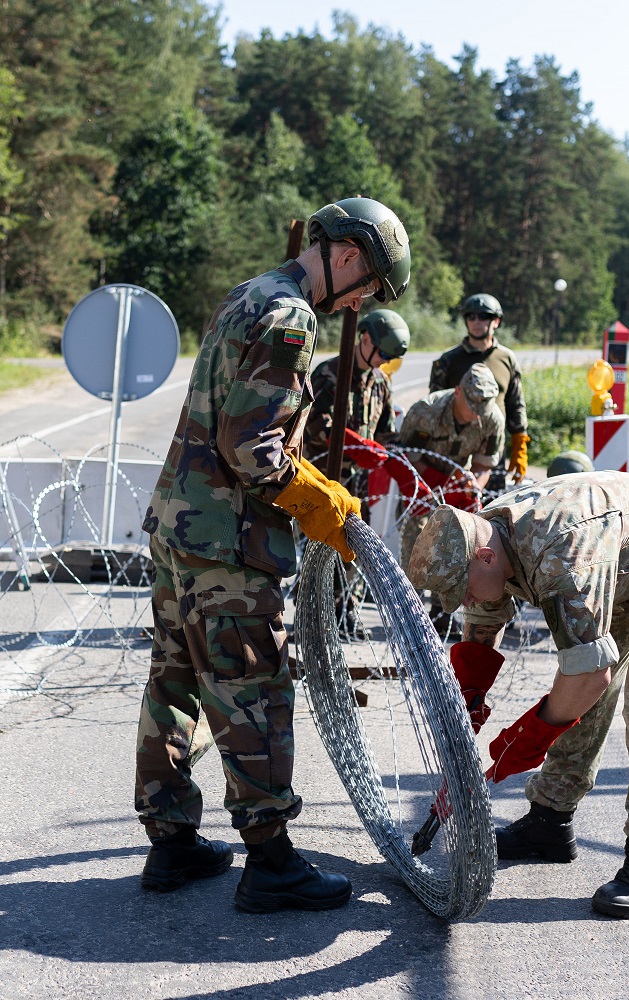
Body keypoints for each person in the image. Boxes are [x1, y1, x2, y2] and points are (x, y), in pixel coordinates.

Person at [136, 197, 411, 913]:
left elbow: (244, 424)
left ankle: (170, 844)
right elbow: (252, 448)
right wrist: (316, 505)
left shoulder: (252, 292)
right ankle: (271, 860)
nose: (364, 302)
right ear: (349, 256)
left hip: (179, 524)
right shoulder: (293, 317)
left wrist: (313, 479)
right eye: (370, 286)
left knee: (175, 681)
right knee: (254, 687)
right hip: (226, 542)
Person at [409, 472, 629, 919]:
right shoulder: (487, 538)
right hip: (618, 562)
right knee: (580, 698)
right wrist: (468, 701)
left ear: (483, 557)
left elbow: (590, 675)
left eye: (463, 588)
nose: (462, 601)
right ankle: (549, 822)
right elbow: (482, 623)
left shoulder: (562, 558)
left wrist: (529, 736)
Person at [392, 363, 505, 633]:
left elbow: (483, 464)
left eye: (482, 410)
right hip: (420, 483)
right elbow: (408, 457)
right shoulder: (425, 412)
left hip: (458, 484)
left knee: (457, 547)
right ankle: (412, 613)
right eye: (471, 407)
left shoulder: (492, 419)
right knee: (417, 541)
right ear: (457, 393)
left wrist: (471, 488)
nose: (476, 416)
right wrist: (438, 484)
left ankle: (444, 612)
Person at [303, 308, 411, 493]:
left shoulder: (381, 382)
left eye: (391, 358)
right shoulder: (330, 374)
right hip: (321, 479)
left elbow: (387, 434)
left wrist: (401, 468)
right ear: (366, 339)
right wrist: (355, 444)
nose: (385, 362)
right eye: (383, 355)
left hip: (357, 484)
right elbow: (313, 423)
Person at [429, 293, 529, 491]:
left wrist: (519, 444)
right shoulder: (448, 361)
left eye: (483, 316)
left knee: (493, 511)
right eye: (471, 317)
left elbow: (515, 404)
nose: (476, 322)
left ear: (496, 321)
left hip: (493, 448)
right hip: (456, 451)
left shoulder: (507, 359)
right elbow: (435, 406)